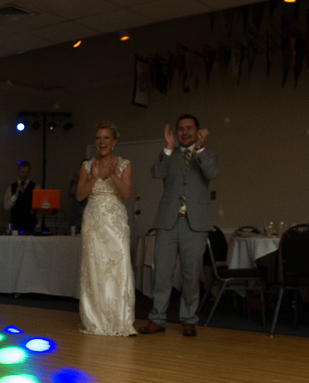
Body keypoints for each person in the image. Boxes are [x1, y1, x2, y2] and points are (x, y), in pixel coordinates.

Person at [139, 114, 219, 337]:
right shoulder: (169, 155)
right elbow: (156, 173)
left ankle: (189, 319)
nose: (185, 132)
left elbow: (212, 173)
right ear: (176, 132)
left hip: (195, 224)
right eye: (181, 129)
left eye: (189, 128)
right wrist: (167, 147)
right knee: (162, 273)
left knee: (191, 275)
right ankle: (157, 319)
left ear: (197, 131)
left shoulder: (208, 154)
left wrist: (200, 150)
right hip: (167, 223)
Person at [75, 121, 137, 336]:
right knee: (94, 267)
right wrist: (93, 177)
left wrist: (112, 175)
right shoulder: (86, 165)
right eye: (98, 138)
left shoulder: (124, 164)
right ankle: (95, 319)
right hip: (93, 220)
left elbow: (127, 193)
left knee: (118, 265)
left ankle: (120, 319)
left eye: (106, 138)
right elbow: (80, 195)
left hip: (115, 221)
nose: (101, 142)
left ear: (114, 142)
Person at [3, 160, 37, 233]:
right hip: (15, 224)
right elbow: (6, 206)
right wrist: (15, 195)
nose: (24, 174)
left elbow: (39, 208)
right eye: (22, 172)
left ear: (29, 172)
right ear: (18, 171)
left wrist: (38, 225)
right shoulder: (11, 187)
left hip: (30, 224)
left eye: (27, 172)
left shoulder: (36, 187)